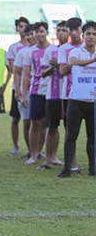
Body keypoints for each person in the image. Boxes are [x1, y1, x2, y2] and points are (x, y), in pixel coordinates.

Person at [58, 20, 96, 178]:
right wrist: (93, 61)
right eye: (88, 34)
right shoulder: (77, 51)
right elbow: (72, 63)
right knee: (71, 135)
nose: (91, 37)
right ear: (83, 35)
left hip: (93, 101)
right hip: (76, 100)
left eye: (94, 34)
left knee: (92, 137)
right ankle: (67, 168)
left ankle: (93, 168)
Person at [37, 21, 68, 170]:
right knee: (51, 127)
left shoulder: (72, 50)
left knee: (69, 129)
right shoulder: (50, 51)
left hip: (69, 94)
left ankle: (68, 161)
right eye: (59, 30)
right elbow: (43, 73)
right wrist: (52, 67)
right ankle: (48, 160)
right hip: (53, 94)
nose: (61, 33)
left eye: (64, 30)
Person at [22, 22, 51, 165]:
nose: (39, 34)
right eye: (36, 32)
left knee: (47, 124)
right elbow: (26, 74)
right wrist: (24, 94)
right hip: (35, 91)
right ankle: (33, 155)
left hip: (52, 91)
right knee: (35, 123)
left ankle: (41, 152)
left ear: (47, 32)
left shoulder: (54, 49)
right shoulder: (29, 52)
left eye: (41, 31)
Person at [58, 17, 85, 172]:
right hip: (69, 94)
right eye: (71, 29)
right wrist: (73, 62)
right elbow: (62, 71)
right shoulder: (64, 49)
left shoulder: (89, 47)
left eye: (77, 29)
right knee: (70, 129)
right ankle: (73, 163)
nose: (74, 33)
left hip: (89, 93)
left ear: (81, 30)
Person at [6, 17, 30, 156]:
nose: (23, 29)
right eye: (20, 26)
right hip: (18, 87)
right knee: (16, 118)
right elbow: (12, 68)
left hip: (32, 88)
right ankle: (16, 146)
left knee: (34, 121)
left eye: (25, 26)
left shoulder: (34, 46)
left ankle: (33, 148)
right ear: (17, 29)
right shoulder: (14, 48)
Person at [13, 24, 36, 160]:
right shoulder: (22, 52)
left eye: (32, 33)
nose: (30, 37)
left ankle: (38, 150)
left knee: (41, 123)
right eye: (28, 34)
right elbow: (16, 72)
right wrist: (18, 90)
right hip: (26, 91)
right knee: (27, 122)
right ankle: (30, 149)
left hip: (41, 91)